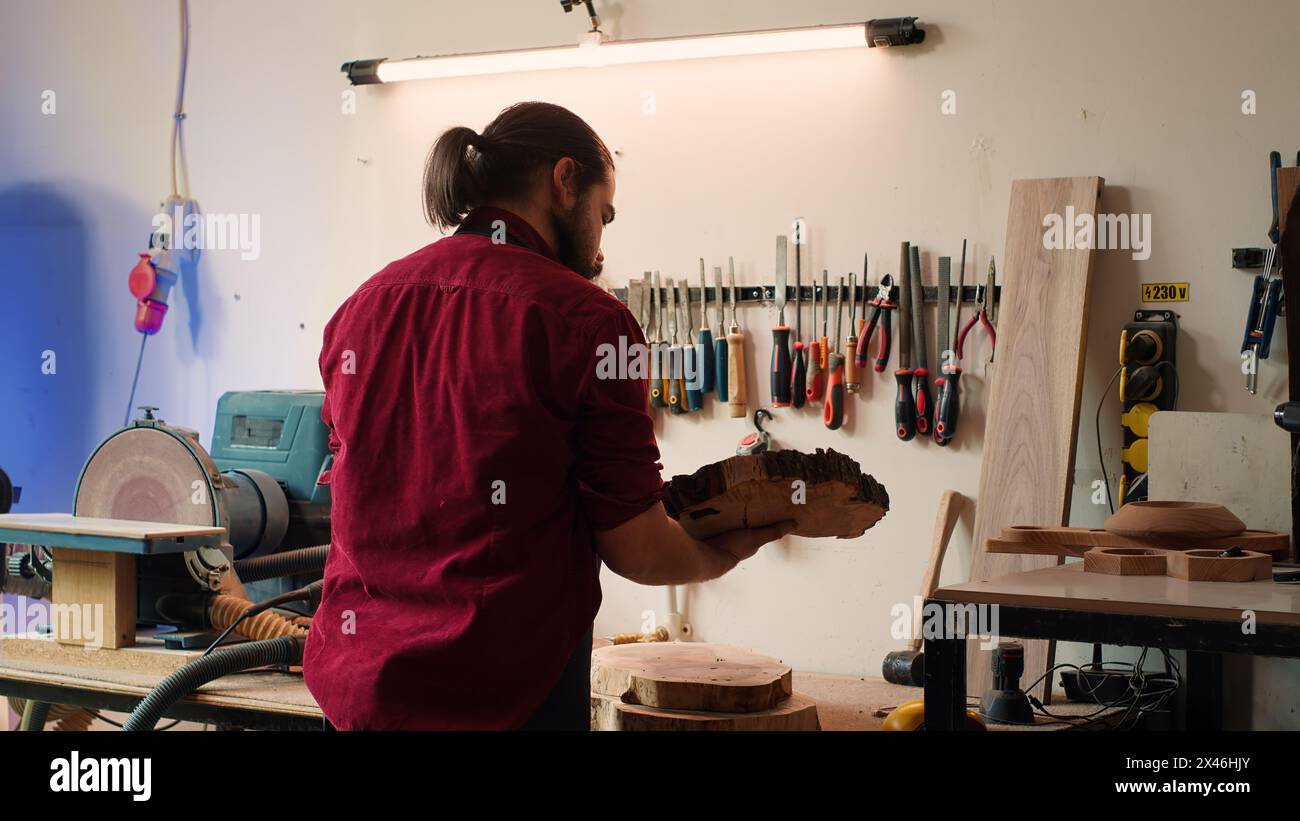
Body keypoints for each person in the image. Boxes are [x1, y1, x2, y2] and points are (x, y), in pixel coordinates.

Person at [303, 101, 793, 730]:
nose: (599, 242)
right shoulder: (587, 321)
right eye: (602, 213)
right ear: (564, 181)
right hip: (503, 700)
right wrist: (730, 549)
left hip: (358, 692)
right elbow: (638, 550)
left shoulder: (360, 310)